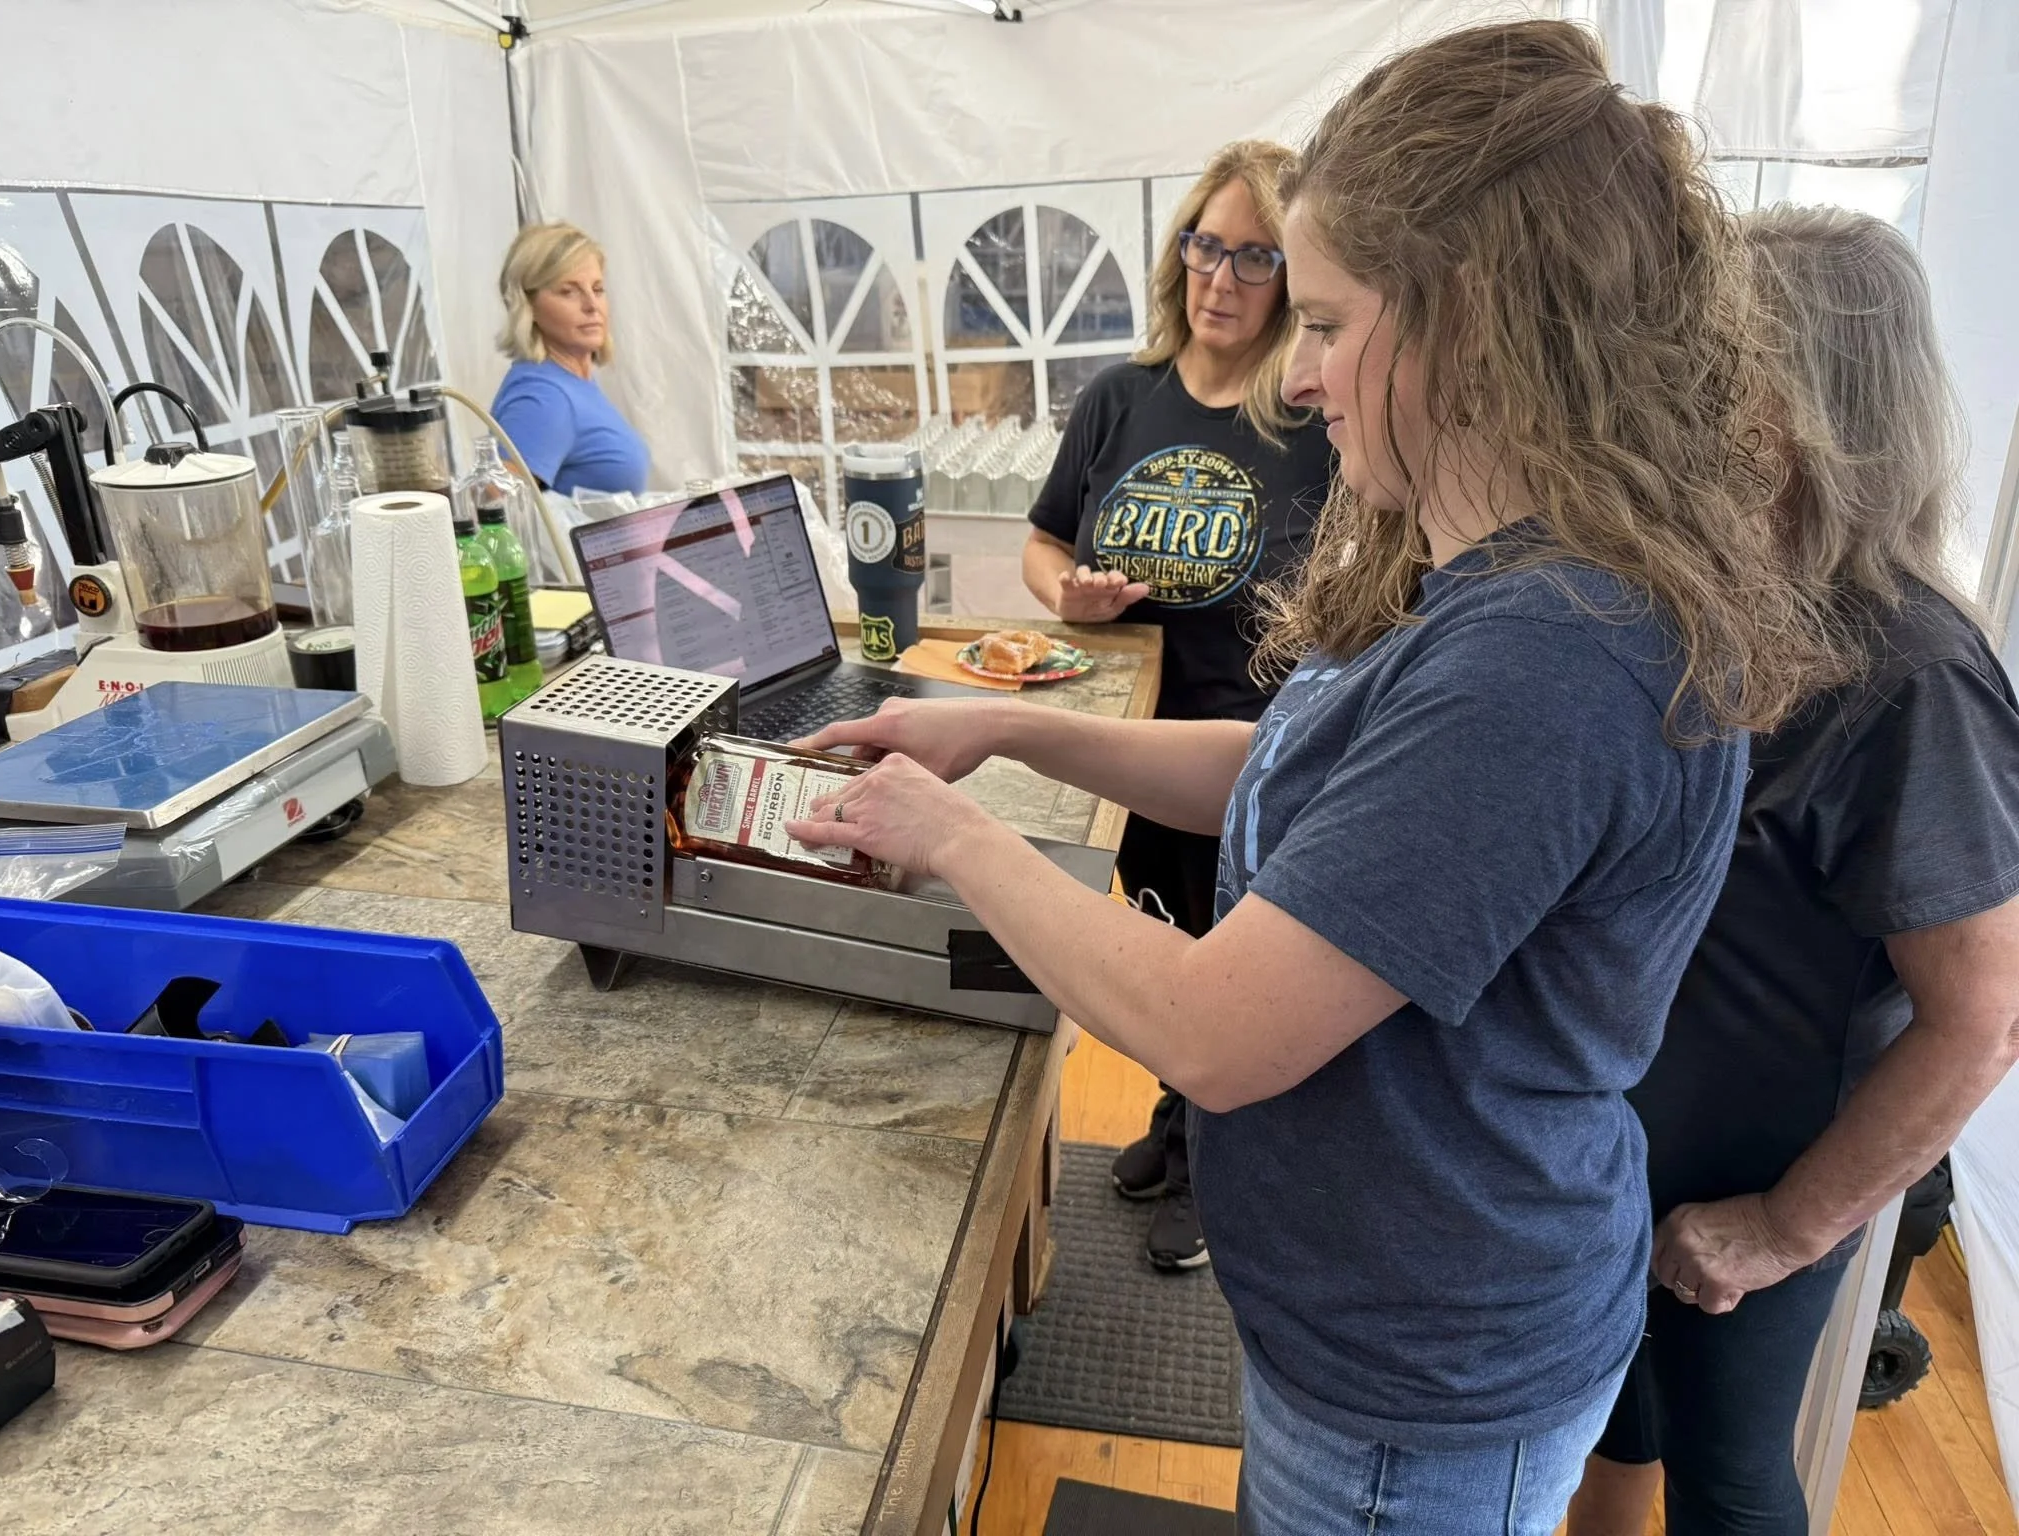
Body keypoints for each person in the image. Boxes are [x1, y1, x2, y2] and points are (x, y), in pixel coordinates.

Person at [786, 22, 1845, 1534]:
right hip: (1390, 1322)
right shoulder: (1501, 580)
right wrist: (1008, 731)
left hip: (1423, 1376)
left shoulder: (1547, 659)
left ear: (1479, 324)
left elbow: (1214, 1033)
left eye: (1333, 325)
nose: (1299, 374)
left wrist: (957, 837)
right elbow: (1301, 777)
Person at [1567, 209, 2019, 1536]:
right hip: (1630, 1157)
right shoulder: (1710, 601)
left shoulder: (1916, 671)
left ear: (1795, 402)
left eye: (1701, 367)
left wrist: (1780, 1227)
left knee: (1729, 1477)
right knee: (1624, 1434)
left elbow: (1983, 1017)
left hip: (1751, 1184)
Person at [1020, 140, 1332, 1271]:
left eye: (1255, 258)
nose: (1221, 280)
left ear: (1294, 275)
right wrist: (1071, 593)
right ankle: (1180, 1122)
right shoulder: (1120, 397)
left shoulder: (1310, 416)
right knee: (1160, 943)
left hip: (1257, 753)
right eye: (1205, 246)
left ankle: (1226, 1177)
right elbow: (1044, 539)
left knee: (1234, 986)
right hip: (1136, 745)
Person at [490, 221, 649, 496]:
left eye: (597, 289)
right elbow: (498, 508)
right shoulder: (543, 396)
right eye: (568, 291)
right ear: (528, 306)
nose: (591, 305)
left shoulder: (572, 381)